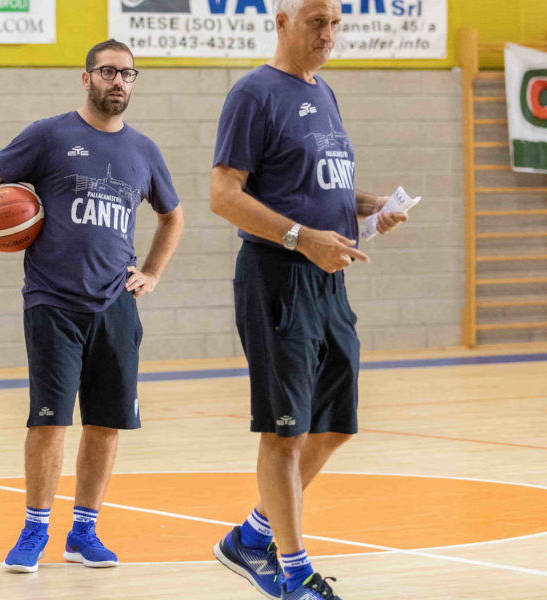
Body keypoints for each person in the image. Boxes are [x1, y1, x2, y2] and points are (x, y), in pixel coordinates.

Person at [0, 39, 184, 574]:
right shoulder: (49, 136)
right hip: (53, 302)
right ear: (87, 77)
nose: (120, 81)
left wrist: (154, 272)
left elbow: (173, 216)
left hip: (116, 305)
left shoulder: (144, 151)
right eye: (109, 72)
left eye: (129, 74)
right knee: (49, 422)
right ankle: (34, 529)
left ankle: (84, 532)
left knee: (106, 422)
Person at [208, 1, 408, 598]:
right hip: (277, 276)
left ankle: (252, 534)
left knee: (336, 422)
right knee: (285, 431)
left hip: (329, 280)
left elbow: (314, 186)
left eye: (336, 23)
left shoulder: (325, 94)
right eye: (317, 21)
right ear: (282, 22)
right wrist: (301, 236)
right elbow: (223, 195)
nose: (328, 33)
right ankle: (292, 572)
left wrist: (365, 207)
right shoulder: (253, 93)